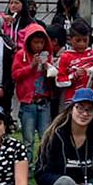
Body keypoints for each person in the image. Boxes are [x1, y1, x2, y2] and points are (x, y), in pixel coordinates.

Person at [12, 24, 55, 163]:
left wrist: (49, 69)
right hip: (28, 104)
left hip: (44, 102)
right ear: (29, 42)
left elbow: (53, 77)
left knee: (45, 136)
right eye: (35, 42)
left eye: (42, 42)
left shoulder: (47, 56)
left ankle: (43, 164)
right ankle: (27, 166)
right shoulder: (20, 55)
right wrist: (31, 67)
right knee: (28, 139)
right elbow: (15, 75)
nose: (39, 45)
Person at [56, 20, 93, 105]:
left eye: (85, 40)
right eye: (78, 40)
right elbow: (59, 81)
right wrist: (74, 76)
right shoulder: (65, 57)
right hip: (73, 99)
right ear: (70, 39)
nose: (82, 44)